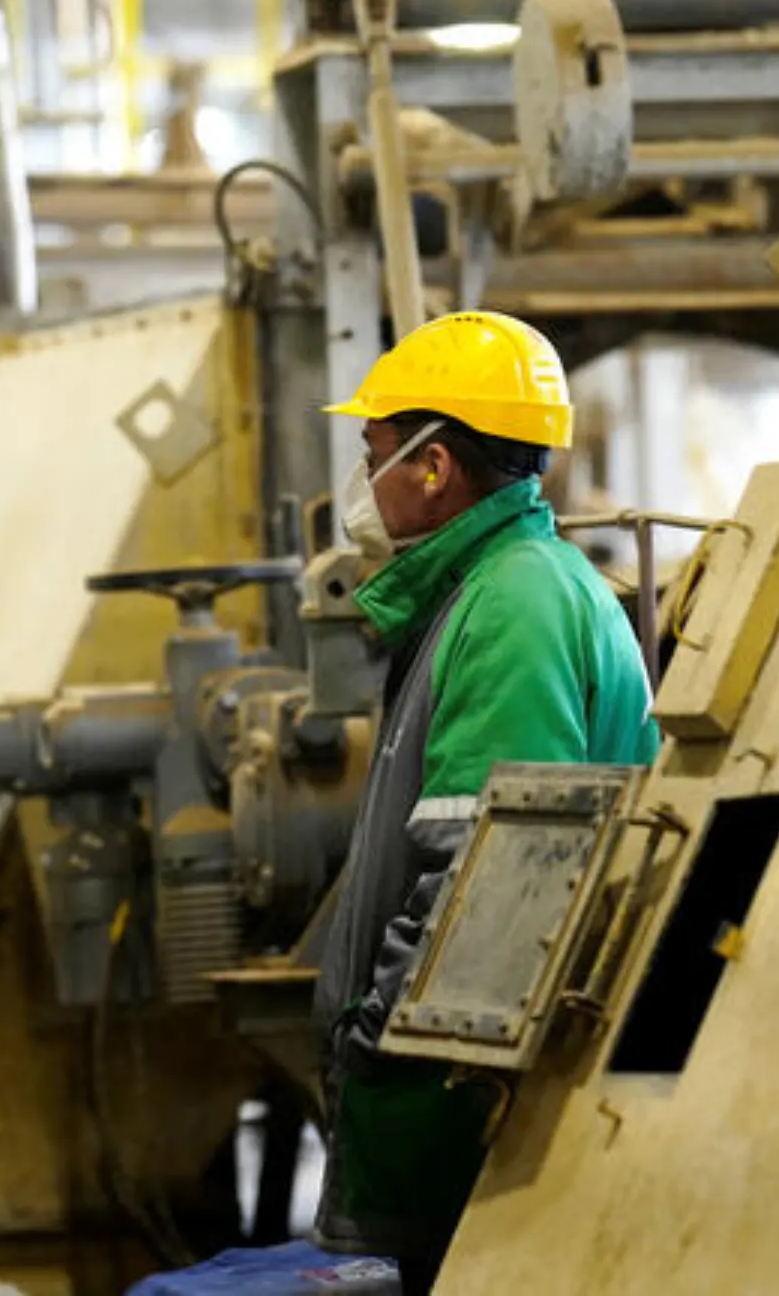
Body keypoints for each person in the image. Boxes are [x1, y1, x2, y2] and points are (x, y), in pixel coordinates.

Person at [310, 311, 660, 1293]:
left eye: (374, 452)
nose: (361, 482)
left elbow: (489, 880)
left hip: (470, 1108)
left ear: (432, 469)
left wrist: (379, 1038)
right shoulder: (495, 587)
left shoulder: (515, 605)